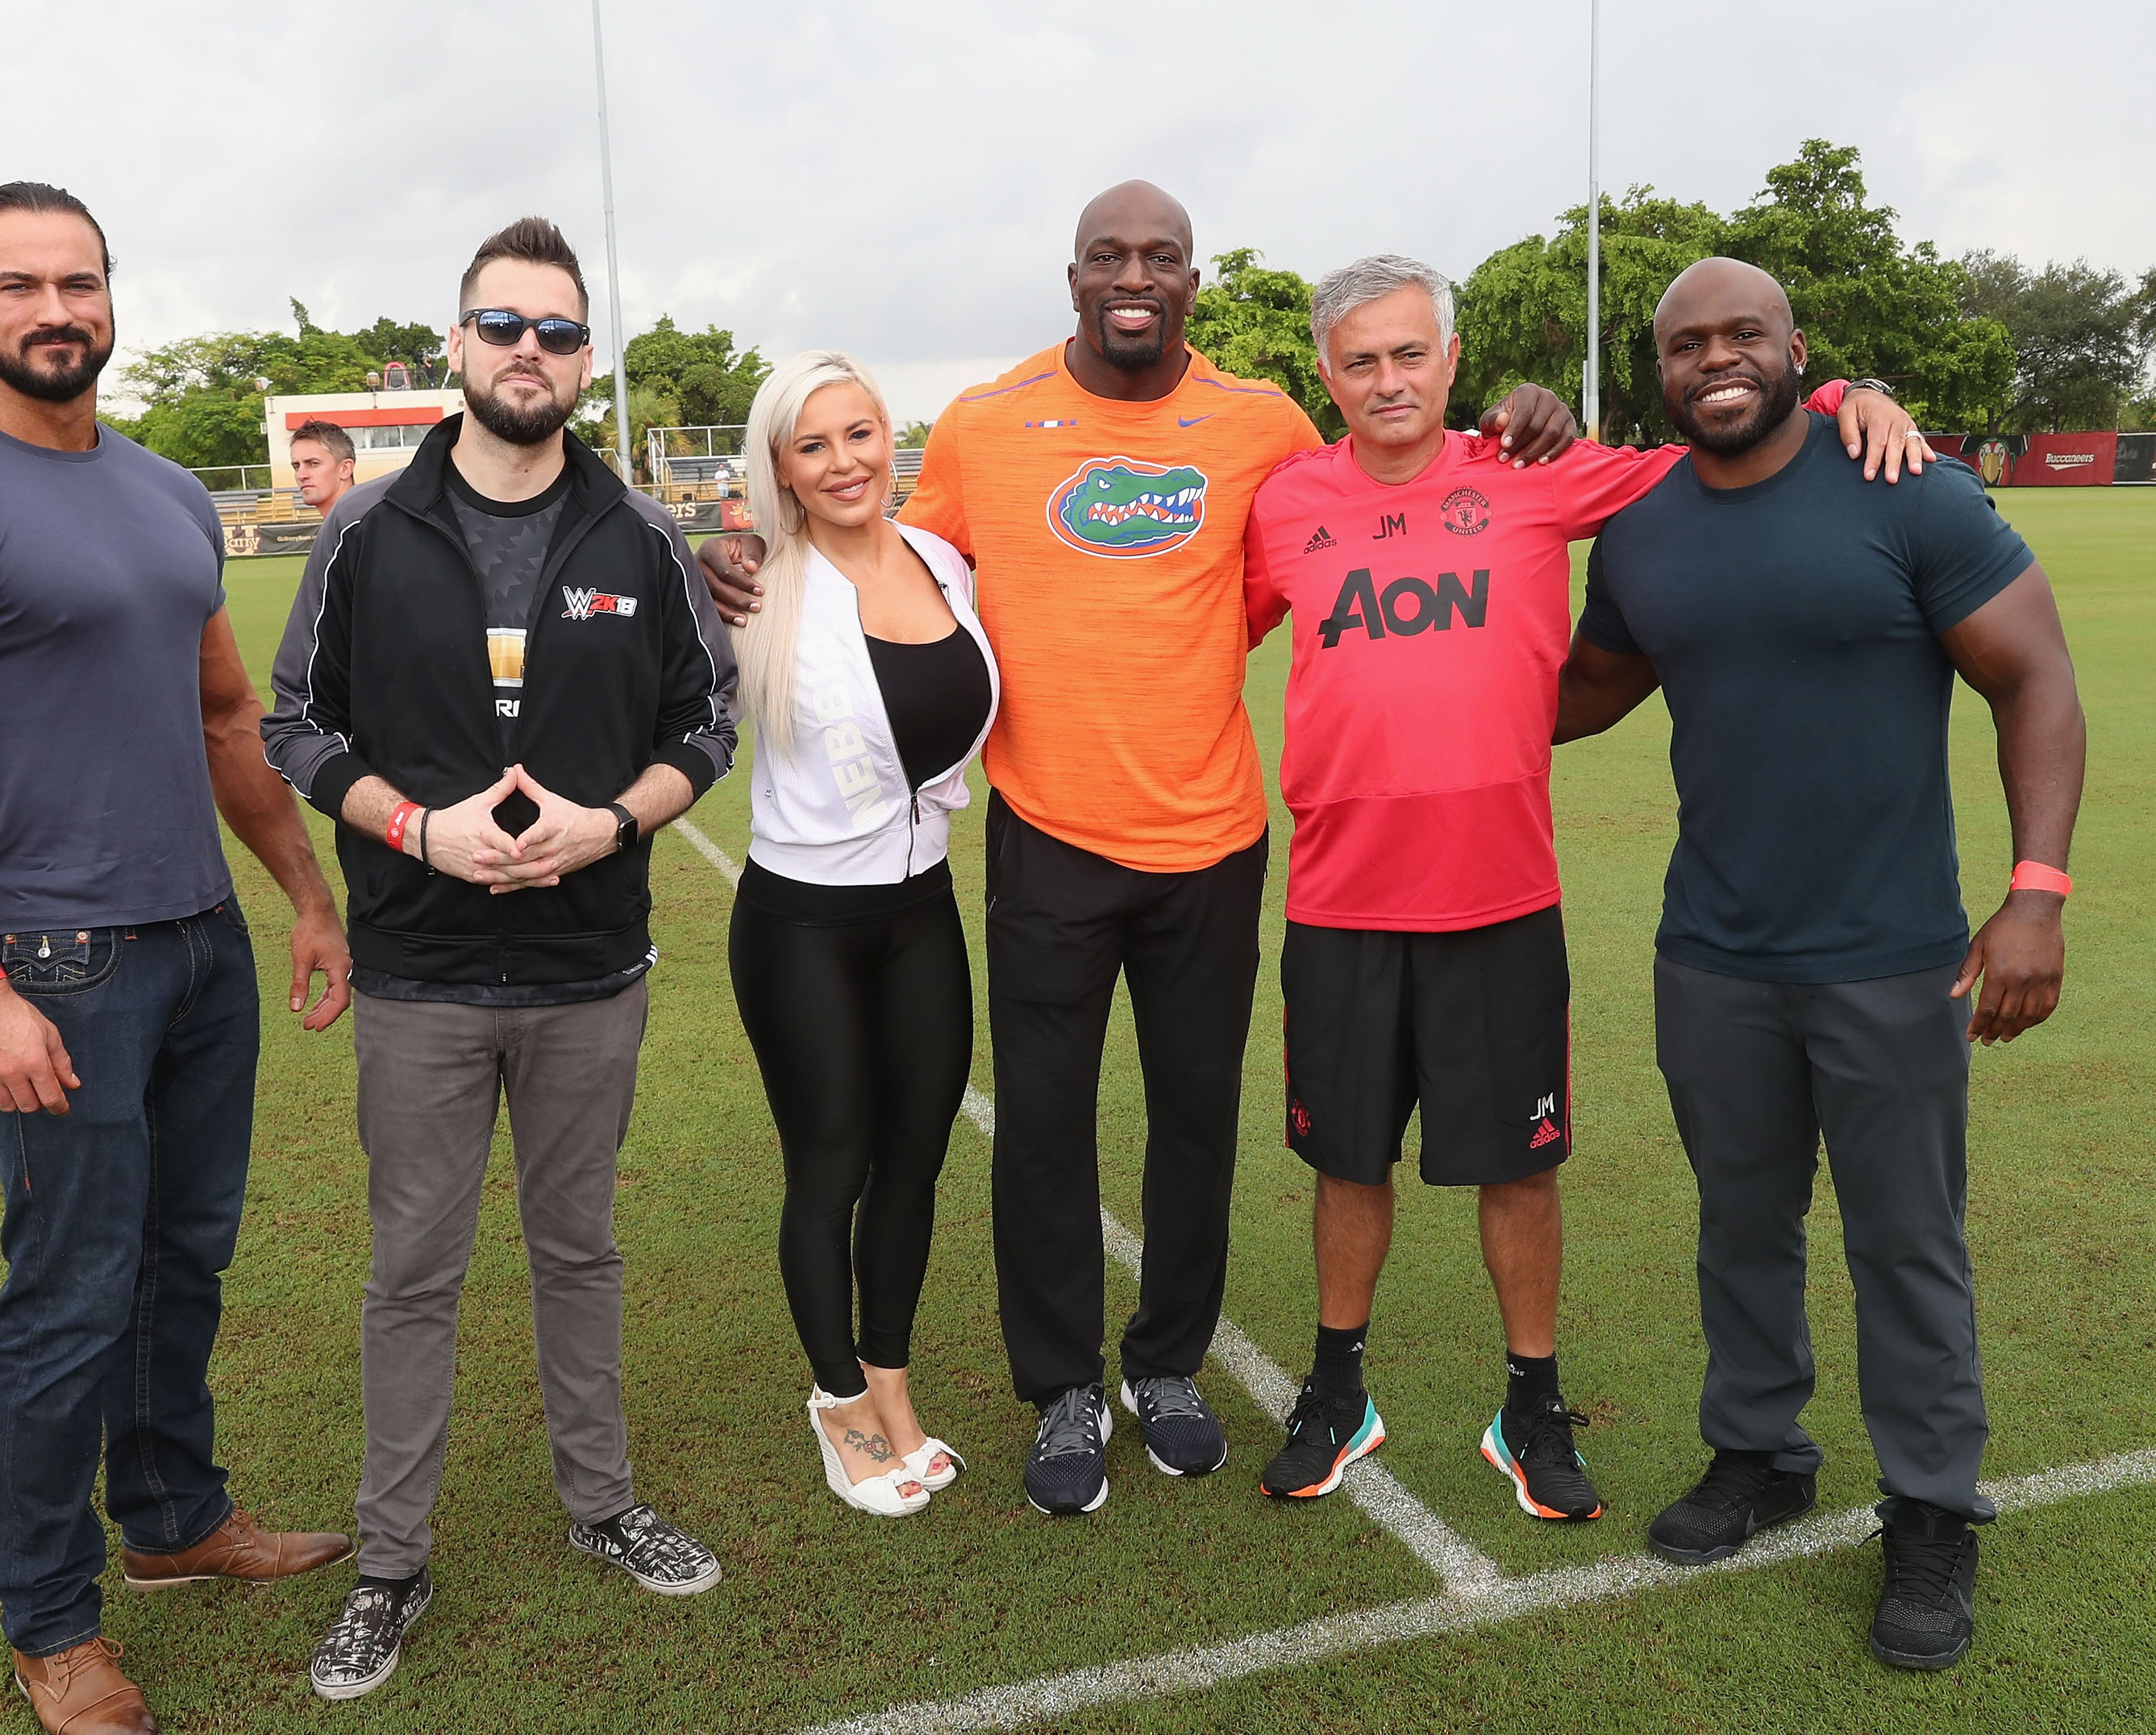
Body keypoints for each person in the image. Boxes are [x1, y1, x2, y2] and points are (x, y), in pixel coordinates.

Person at [703, 182, 1577, 1517]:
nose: (1134, 274)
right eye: (1109, 254)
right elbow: (880, 549)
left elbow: (1347, 519)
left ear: (1192, 279)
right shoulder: (990, 426)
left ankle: (1166, 1362)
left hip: (1212, 838)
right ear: (1072, 276)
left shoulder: (1265, 423)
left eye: (1160, 256)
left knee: (1194, 1119)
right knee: (1043, 1126)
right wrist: (739, 553)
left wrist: (1527, 422)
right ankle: (1059, 1384)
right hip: (1048, 835)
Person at [1240, 256, 1928, 1520]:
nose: (1386, 381)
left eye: (1409, 354)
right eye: (1359, 360)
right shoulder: (1283, 503)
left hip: (1501, 897)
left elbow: (1728, 438)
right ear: (1324, 375)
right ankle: (1339, 1387)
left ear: (1450, 362)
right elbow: (1202, 628)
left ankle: (1531, 1400)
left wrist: (1850, 392)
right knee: (1346, 1161)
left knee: (1521, 1164)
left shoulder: (1529, 473)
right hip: (1339, 900)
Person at [0, 181, 356, 1735]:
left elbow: (222, 721)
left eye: (80, 280)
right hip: (53, 961)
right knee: (67, 1295)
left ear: (112, 296)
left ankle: (177, 1514)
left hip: (198, 942)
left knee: (181, 1259)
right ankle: (52, 1618)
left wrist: (304, 891)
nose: (55, 308)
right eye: (19, 284)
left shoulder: (166, 494)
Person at [1555, 256, 2083, 1668]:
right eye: (1685, 344)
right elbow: (1583, 691)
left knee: (1906, 1241)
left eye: (1743, 335)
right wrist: (1417, 672)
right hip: (1712, 953)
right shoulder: (1645, 529)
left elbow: (2034, 674)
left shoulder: (1902, 485)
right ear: (1658, 369)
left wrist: (2035, 893)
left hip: (1889, 956)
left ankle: (1928, 1509)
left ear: (1798, 351)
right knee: (1741, 1223)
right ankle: (1761, 1455)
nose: (1714, 360)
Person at [261, 216, 739, 1702]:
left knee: (577, 1250)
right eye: (501, 325)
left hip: (592, 968)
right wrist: (415, 826)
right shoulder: (364, 530)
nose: (527, 352)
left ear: (585, 362)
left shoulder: (641, 535)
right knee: (414, 1271)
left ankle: (599, 1505)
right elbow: (293, 726)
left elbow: (705, 730)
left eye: (555, 331)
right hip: (418, 974)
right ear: (456, 347)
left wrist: (610, 824)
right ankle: (391, 1558)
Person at [725, 351, 999, 1517]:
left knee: (918, 1156)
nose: (844, 462)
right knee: (831, 1159)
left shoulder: (944, 560)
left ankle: (892, 1385)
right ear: (779, 467)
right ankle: (838, 1403)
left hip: (921, 908)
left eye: (860, 434)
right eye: (812, 444)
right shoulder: (751, 585)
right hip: (802, 923)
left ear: (894, 437)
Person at [289, 418, 356, 518]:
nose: (301, 475)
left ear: (345, 469)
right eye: (296, 467)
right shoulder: (338, 527)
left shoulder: (369, 526)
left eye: (313, 464)